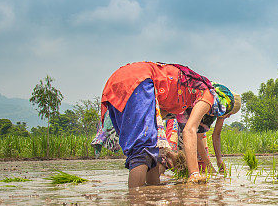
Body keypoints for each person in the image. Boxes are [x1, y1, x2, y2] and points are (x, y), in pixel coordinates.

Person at [100, 62, 239, 188]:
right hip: (139, 81)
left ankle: (150, 201)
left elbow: (162, 120)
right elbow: (190, 130)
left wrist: (169, 154)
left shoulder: (185, 97)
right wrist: (194, 174)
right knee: (142, 151)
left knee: (154, 154)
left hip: (120, 79)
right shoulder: (207, 93)